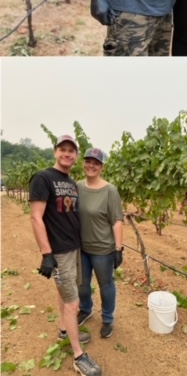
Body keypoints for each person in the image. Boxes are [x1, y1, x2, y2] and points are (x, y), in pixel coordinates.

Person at [29, 135, 102, 376]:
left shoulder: (70, 181)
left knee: (65, 294)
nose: (67, 154)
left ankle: (64, 329)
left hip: (74, 248)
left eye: (71, 151)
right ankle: (79, 356)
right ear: (55, 152)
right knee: (73, 303)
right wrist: (46, 253)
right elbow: (36, 217)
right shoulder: (43, 178)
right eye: (63, 149)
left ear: (76, 156)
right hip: (58, 252)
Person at [76, 148, 124, 340]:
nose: (91, 166)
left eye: (96, 163)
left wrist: (118, 249)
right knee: (82, 285)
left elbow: (117, 220)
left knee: (106, 285)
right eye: (88, 161)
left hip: (102, 250)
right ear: (83, 164)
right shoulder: (77, 186)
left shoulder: (110, 190)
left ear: (102, 167)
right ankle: (86, 309)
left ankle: (107, 319)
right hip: (81, 248)